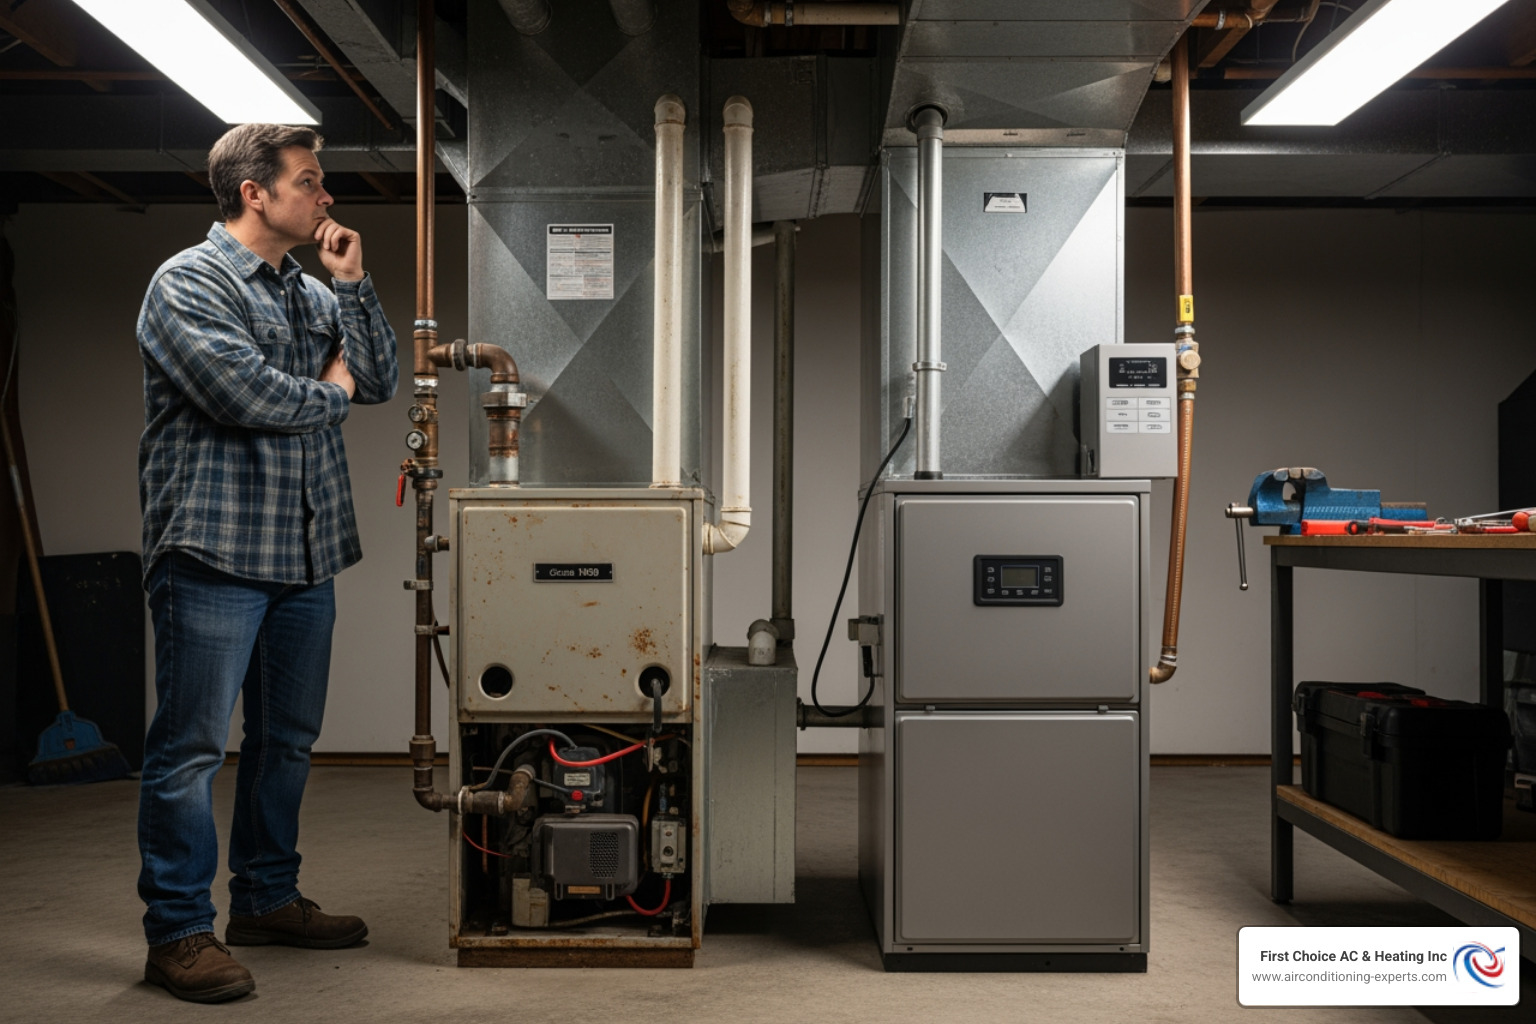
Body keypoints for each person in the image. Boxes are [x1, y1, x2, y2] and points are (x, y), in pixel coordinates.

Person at [135, 123, 398, 1003]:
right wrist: (330, 391)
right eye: (312, 182)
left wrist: (353, 288)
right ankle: (177, 934)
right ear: (257, 192)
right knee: (191, 751)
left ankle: (266, 900)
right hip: (212, 551)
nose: (327, 198)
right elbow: (245, 395)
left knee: (285, 744)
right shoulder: (187, 283)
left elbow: (382, 376)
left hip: (304, 549)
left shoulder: (312, 289)